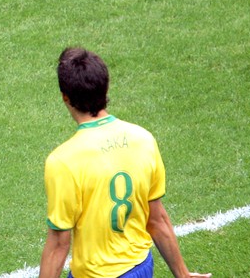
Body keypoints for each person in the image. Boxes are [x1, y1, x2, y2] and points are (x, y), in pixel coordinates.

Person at [40, 47, 210, 278]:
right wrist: (182, 273)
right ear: (106, 87)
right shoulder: (143, 139)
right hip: (140, 268)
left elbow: (59, 245)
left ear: (65, 97)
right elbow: (157, 218)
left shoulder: (63, 161)